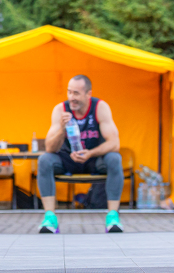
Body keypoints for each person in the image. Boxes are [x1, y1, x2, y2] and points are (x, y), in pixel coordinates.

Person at [37, 75, 123, 233]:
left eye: (76, 93)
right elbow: (49, 148)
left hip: (93, 159)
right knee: (44, 160)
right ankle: (50, 218)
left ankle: (112, 217)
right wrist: (61, 128)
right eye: (69, 92)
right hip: (67, 160)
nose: (71, 97)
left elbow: (114, 143)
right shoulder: (60, 110)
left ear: (88, 94)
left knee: (114, 158)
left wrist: (90, 153)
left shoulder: (100, 107)